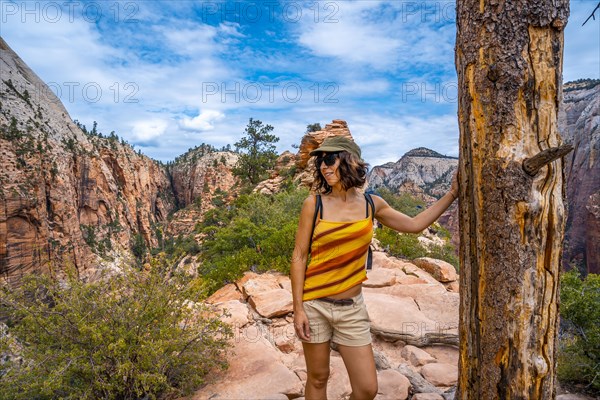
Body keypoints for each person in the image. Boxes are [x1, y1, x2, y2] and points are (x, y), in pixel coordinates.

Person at [290, 136, 458, 400]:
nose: (324, 166)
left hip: (352, 308)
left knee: (367, 389)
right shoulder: (315, 204)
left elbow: (414, 225)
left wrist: (451, 194)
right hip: (315, 305)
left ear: (349, 161)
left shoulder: (372, 204)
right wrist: (298, 307)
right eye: (321, 161)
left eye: (331, 159)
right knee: (318, 377)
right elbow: (299, 256)